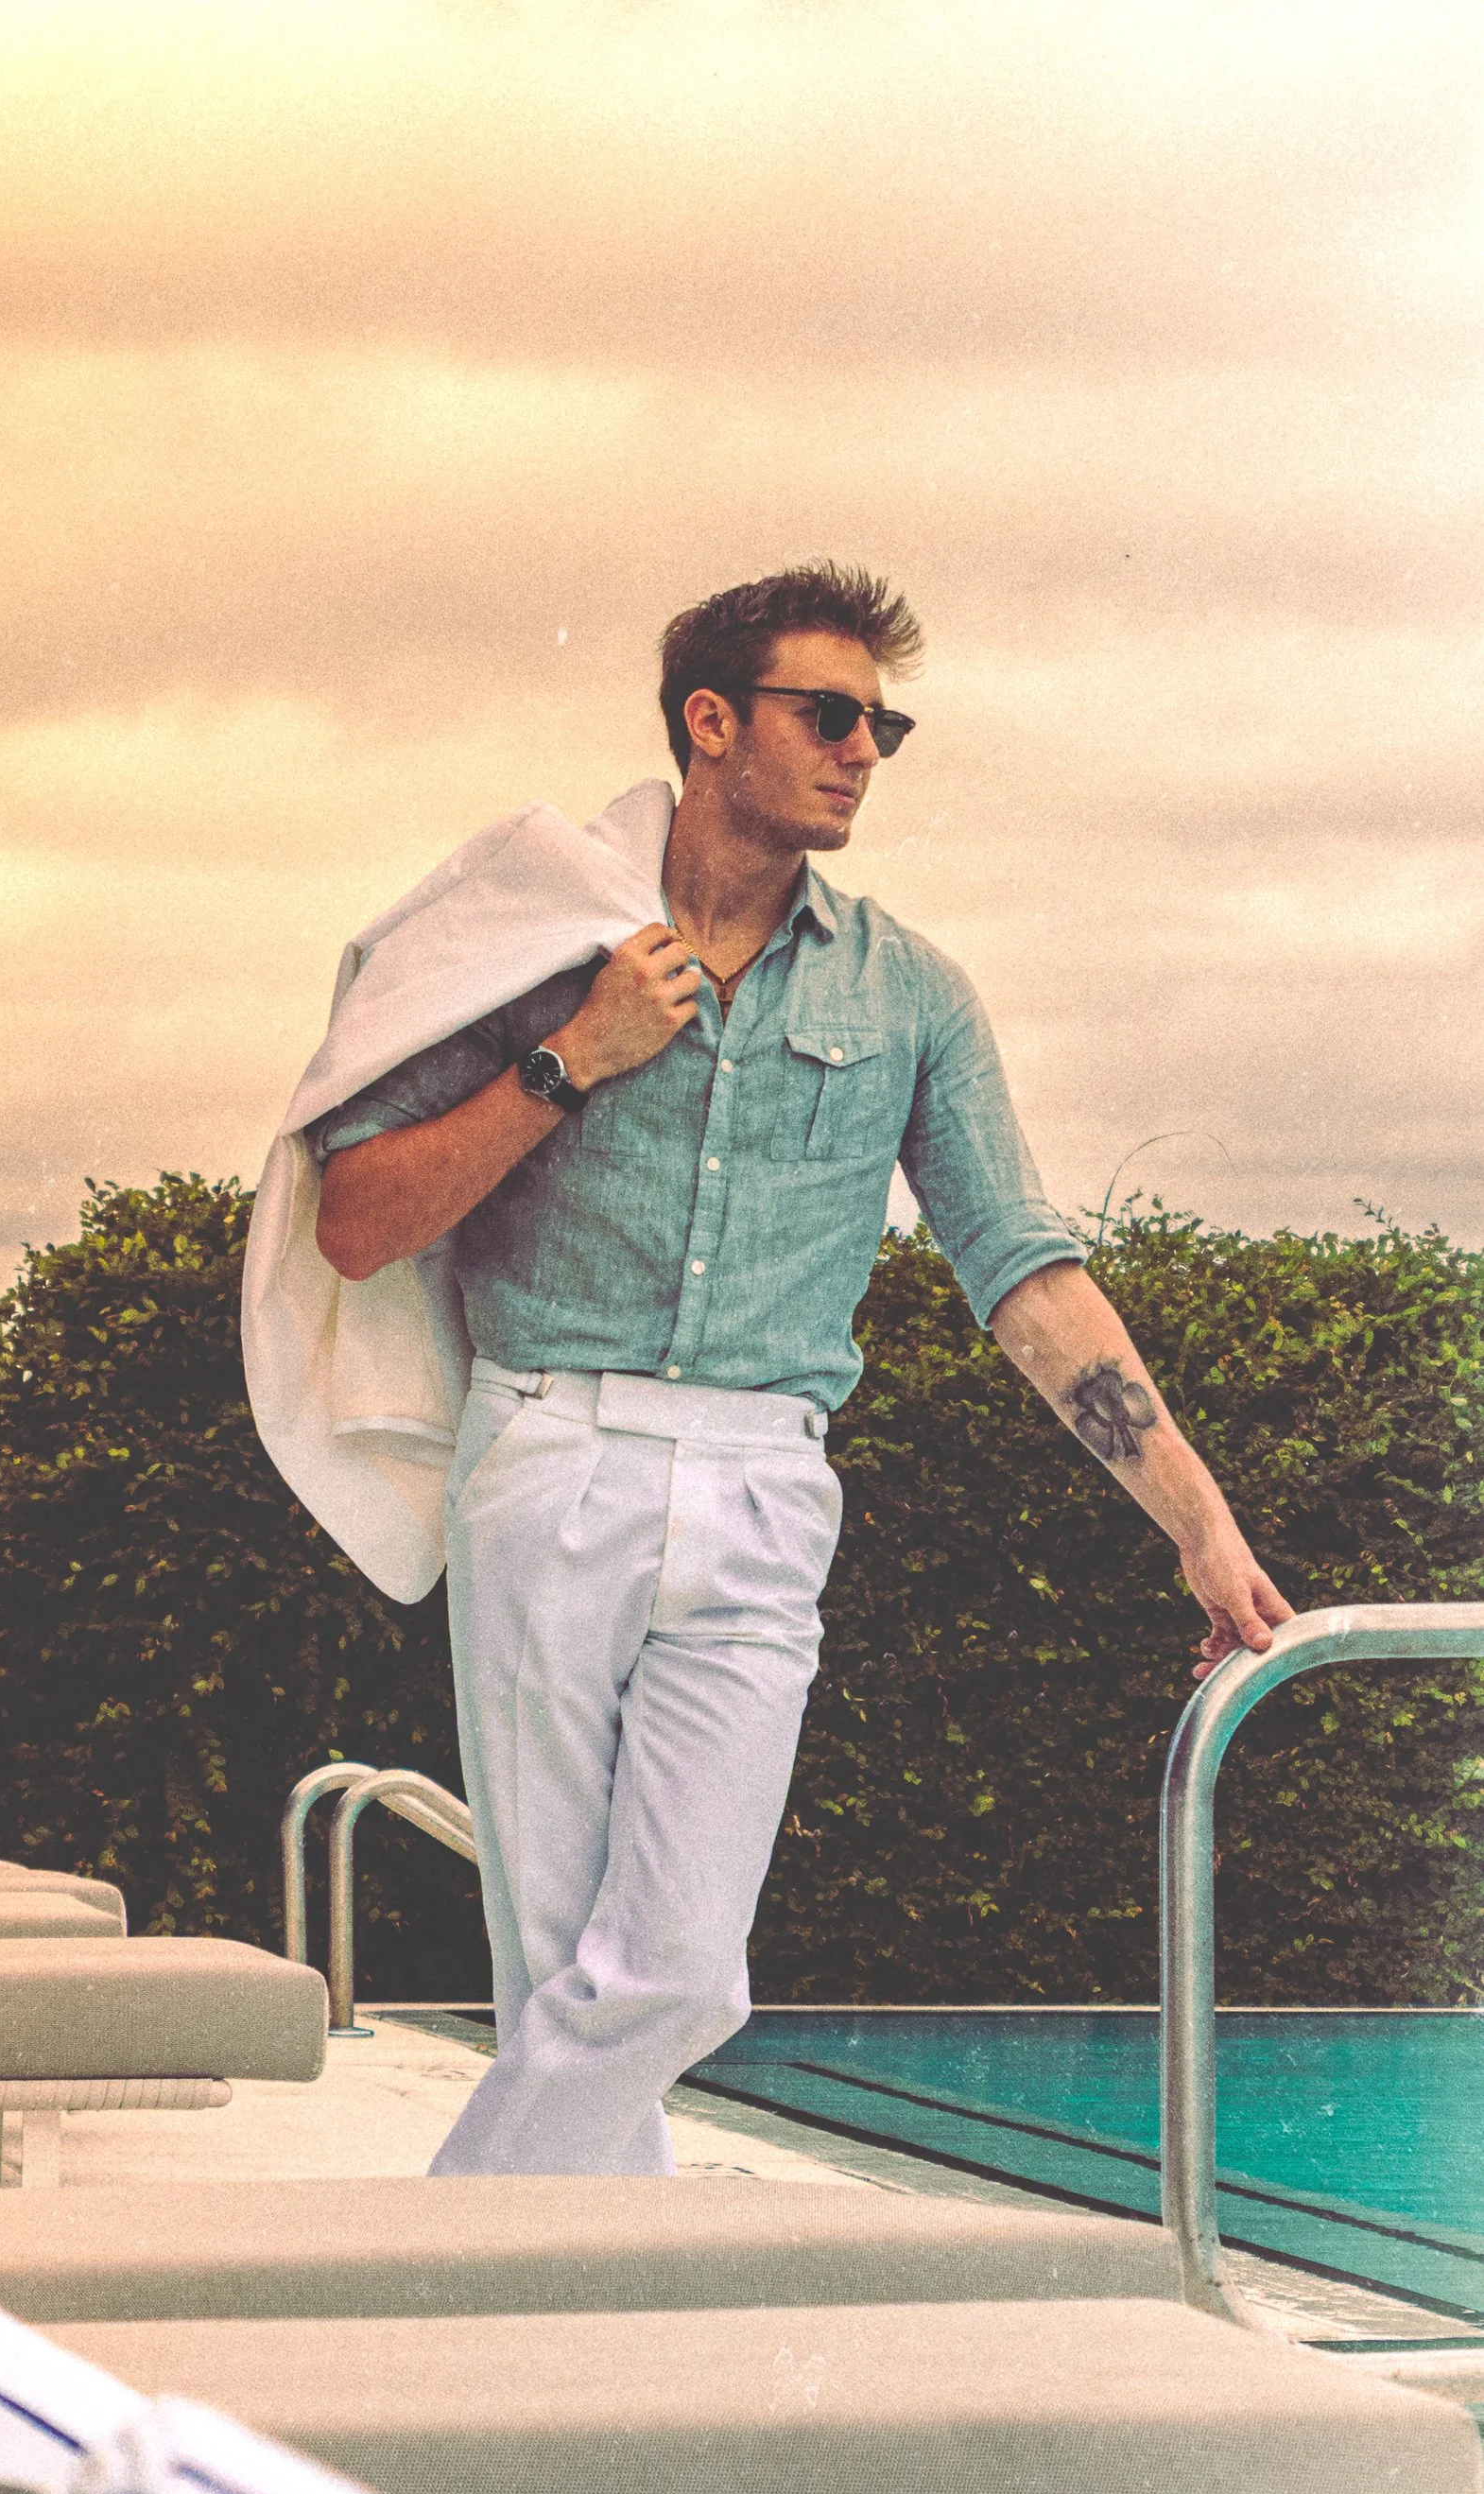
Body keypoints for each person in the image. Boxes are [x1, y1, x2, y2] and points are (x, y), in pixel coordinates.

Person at [302, 563, 1291, 2178]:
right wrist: (572, 1059)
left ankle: (454, 2260)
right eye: (830, 714)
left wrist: (1196, 1519)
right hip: (552, 1447)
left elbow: (1023, 1269)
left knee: (679, 1971)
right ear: (711, 721)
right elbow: (356, 1223)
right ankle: (569, 2361)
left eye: (884, 727)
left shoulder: (908, 991)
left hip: (766, 1479)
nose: (864, 752)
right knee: (561, 1972)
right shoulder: (533, 944)